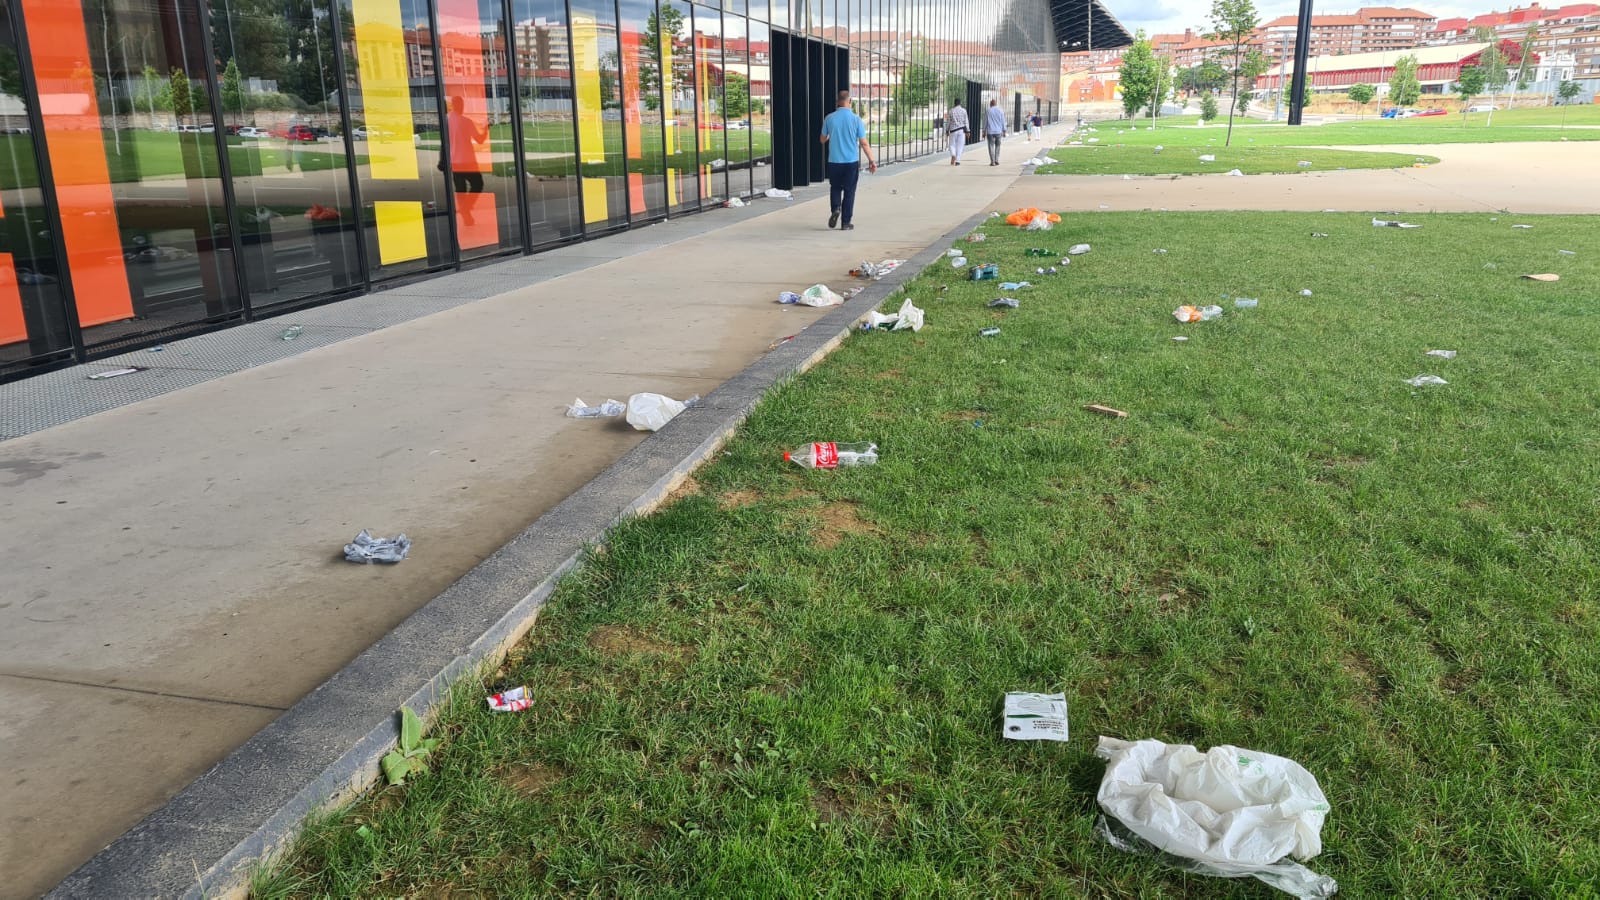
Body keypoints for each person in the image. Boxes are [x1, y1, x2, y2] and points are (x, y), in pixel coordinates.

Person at [818, 90, 876, 231]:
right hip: (850, 162)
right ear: (849, 101)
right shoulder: (856, 119)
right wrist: (872, 160)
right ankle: (845, 222)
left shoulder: (829, 118)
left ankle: (836, 208)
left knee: (836, 187)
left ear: (838, 101)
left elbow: (822, 139)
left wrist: (832, 135)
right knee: (850, 191)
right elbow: (864, 143)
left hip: (834, 161)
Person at [945, 99, 968, 165]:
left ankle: (953, 154)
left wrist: (947, 130)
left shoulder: (951, 111)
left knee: (951, 144)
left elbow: (948, 122)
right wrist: (968, 131)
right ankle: (958, 161)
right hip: (961, 130)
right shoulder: (964, 111)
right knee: (960, 146)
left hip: (953, 130)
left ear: (954, 103)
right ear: (960, 103)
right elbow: (966, 121)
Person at [984, 98, 1005, 166]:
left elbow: (985, 122)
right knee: (998, 146)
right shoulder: (1000, 110)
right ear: (996, 104)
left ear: (991, 104)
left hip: (990, 132)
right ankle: (996, 160)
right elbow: (1003, 121)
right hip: (998, 131)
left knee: (991, 146)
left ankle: (992, 161)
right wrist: (1004, 130)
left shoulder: (988, 111)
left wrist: (984, 131)